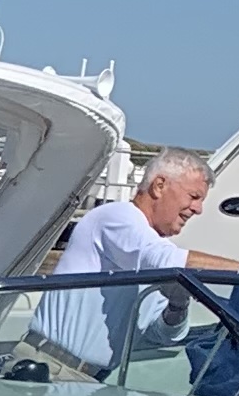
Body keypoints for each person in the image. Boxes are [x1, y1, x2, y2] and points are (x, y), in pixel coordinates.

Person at [38, 150, 215, 369]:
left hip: (90, 379)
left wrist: (178, 306)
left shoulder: (152, 252)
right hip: (49, 369)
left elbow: (161, 335)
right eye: (194, 197)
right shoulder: (117, 216)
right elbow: (165, 259)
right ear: (159, 186)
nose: (198, 209)